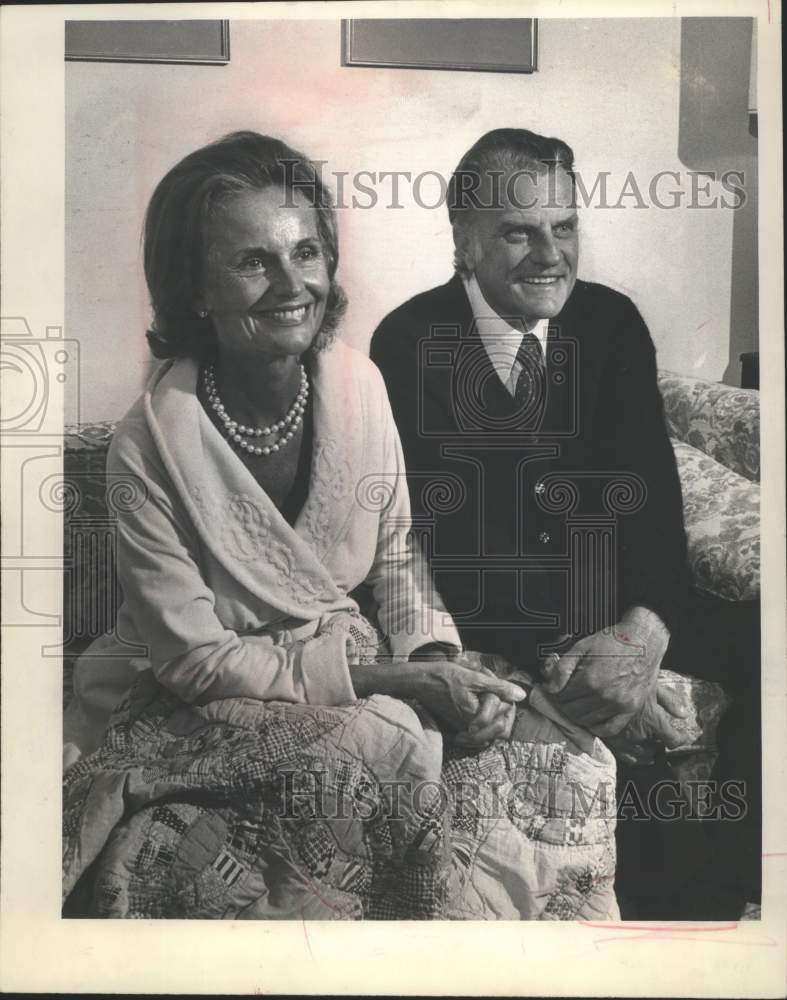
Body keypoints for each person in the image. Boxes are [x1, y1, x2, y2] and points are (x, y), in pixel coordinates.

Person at [62, 131, 619, 921]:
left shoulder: (358, 383)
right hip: (180, 694)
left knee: (570, 759)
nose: (293, 284)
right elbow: (192, 662)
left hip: (343, 659)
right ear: (193, 287)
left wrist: (437, 660)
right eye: (253, 261)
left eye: (307, 252)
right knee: (384, 742)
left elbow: (396, 557)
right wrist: (399, 682)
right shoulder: (146, 443)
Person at [370, 128, 760, 920]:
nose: (549, 255)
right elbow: (457, 544)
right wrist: (576, 659)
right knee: (634, 831)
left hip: (622, 606)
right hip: (514, 621)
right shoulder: (408, 343)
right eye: (518, 232)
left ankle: (744, 894)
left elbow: (651, 498)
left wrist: (644, 632)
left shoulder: (609, 322)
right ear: (465, 243)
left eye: (564, 227)